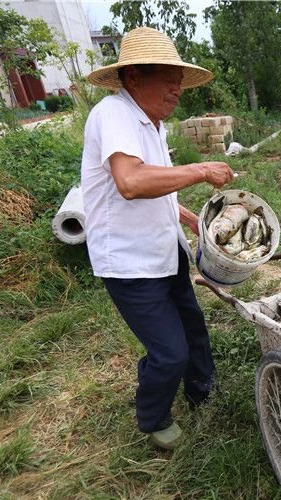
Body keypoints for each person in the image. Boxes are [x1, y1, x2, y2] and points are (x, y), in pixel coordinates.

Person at [81, 27, 235, 450]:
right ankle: (153, 417)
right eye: (168, 79)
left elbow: (156, 184)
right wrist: (201, 170)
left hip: (165, 249)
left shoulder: (153, 124)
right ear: (133, 77)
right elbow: (130, 182)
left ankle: (202, 390)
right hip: (130, 262)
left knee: (193, 329)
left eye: (179, 80)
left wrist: (189, 218)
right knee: (169, 351)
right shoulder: (113, 114)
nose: (177, 89)